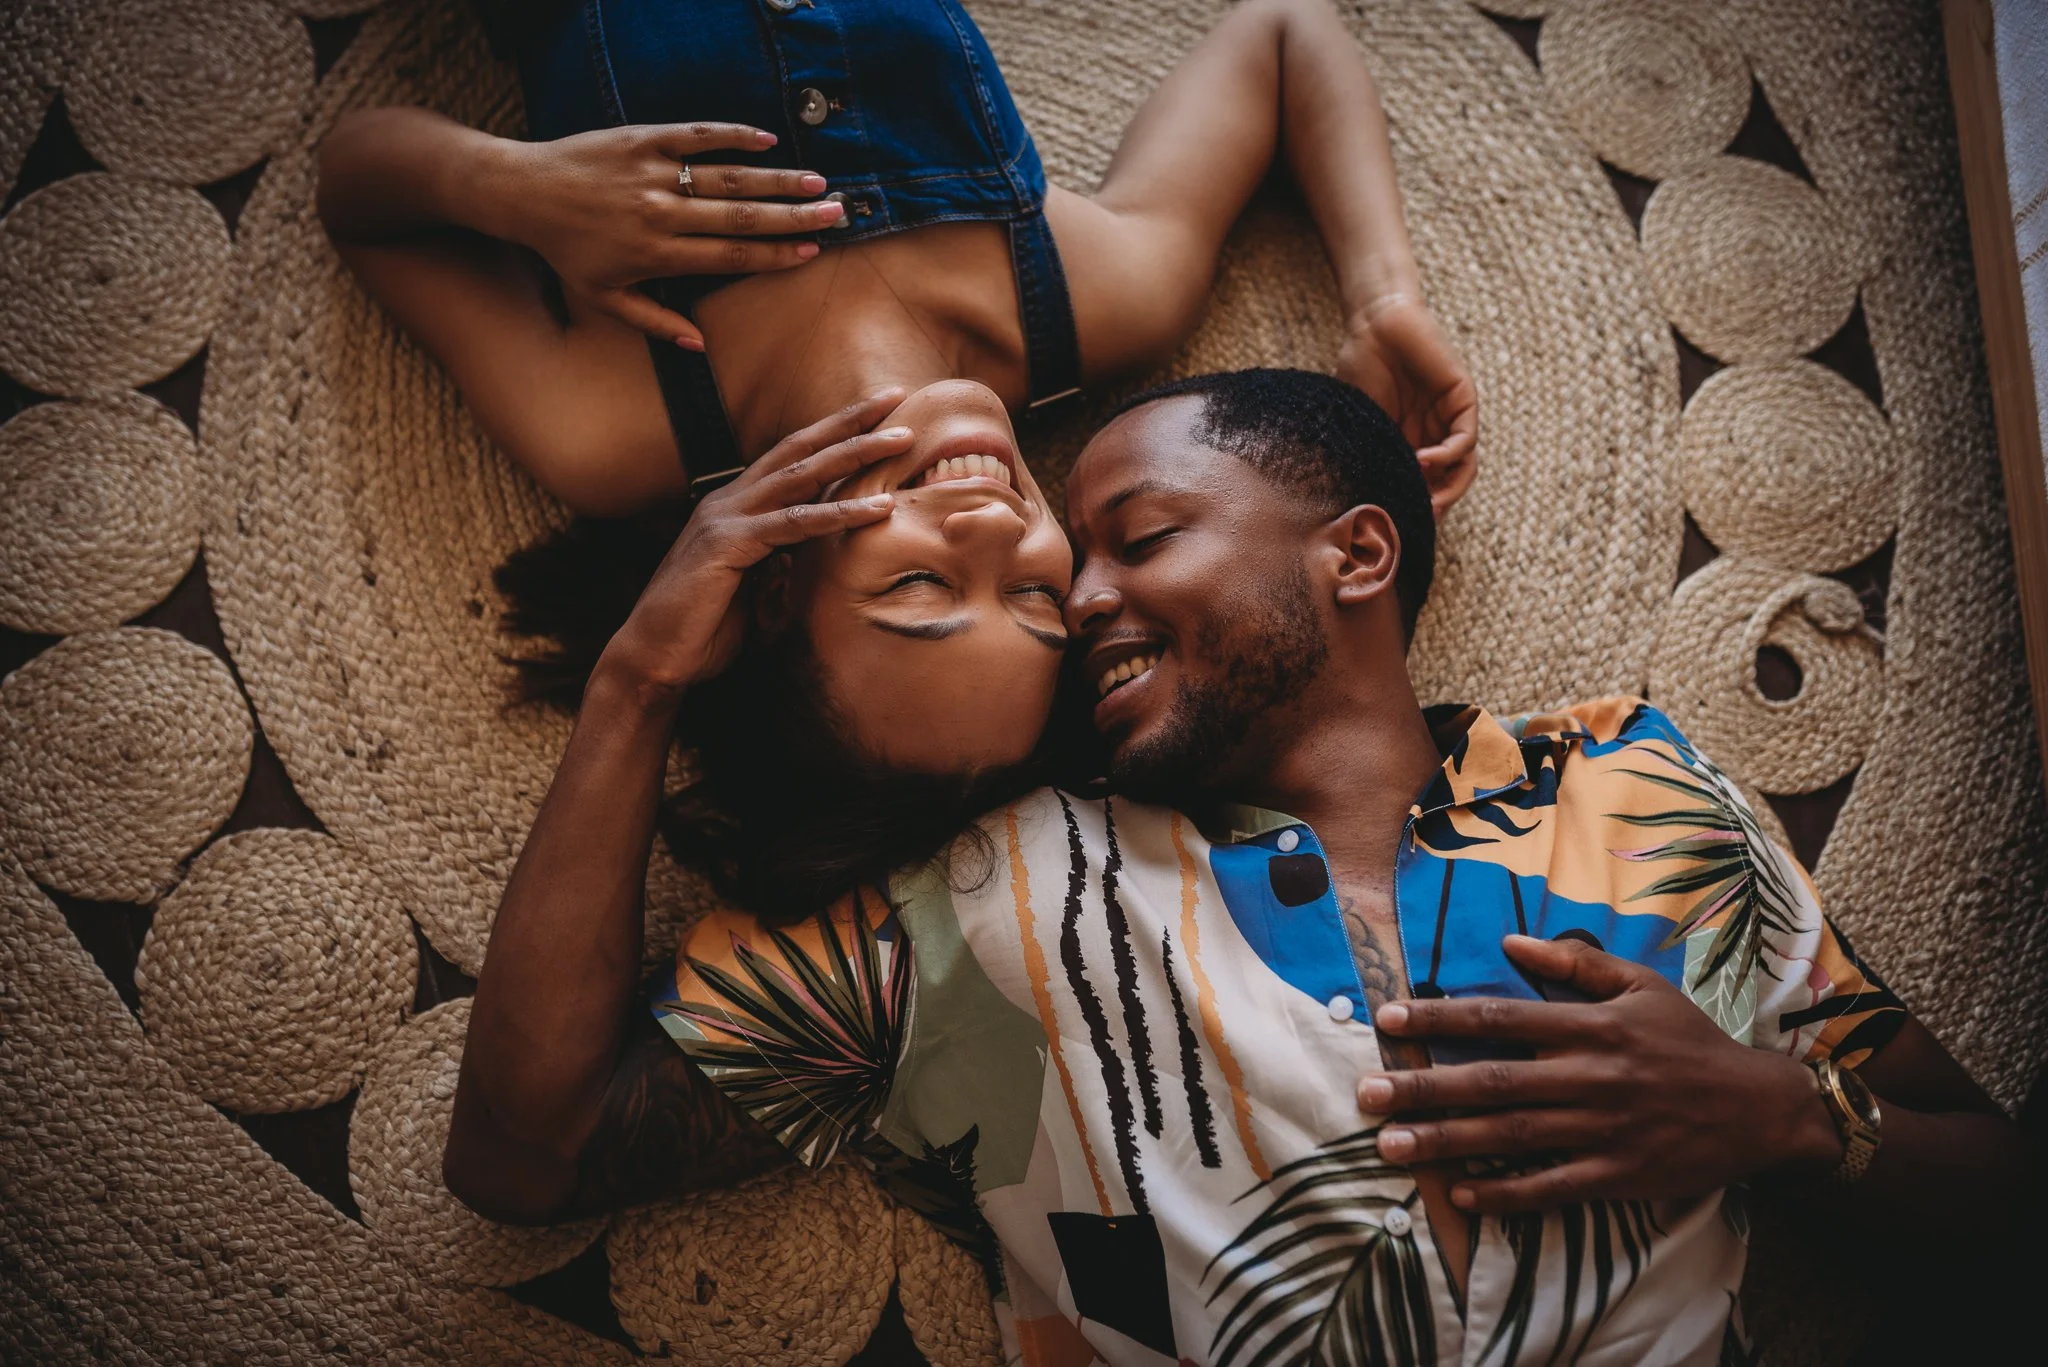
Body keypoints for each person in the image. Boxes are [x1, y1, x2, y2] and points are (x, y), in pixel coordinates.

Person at [447, 368, 2033, 1365]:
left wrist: (1778, 1114)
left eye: (1140, 534)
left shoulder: (1631, 777)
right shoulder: (985, 892)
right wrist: (639, 680)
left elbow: (2007, 1199)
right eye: (1075, 566)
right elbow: (527, 1150)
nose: (1082, 597)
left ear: (1355, 550)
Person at [315, 0, 1478, 919]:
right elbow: (1280, 35)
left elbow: (357, 182)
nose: (986, 527)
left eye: (919, 585)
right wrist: (1381, 298)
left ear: (774, 582)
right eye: (1033, 591)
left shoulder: (619, 424)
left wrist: (517, 193)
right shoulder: (1087, 301)